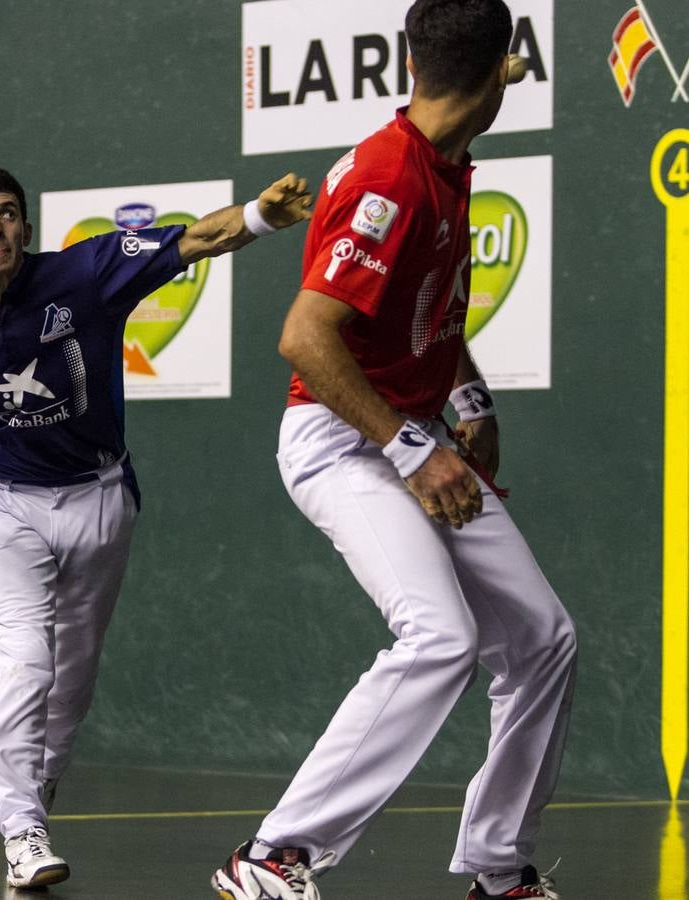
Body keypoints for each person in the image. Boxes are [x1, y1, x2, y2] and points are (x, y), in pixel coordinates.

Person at [0, 165, 312, 889]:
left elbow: (198, 239)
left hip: (101, 499)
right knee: (25, 660)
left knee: (71, 686)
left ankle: (35, 801)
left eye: (9, 214)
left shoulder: (86, 274)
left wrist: (262, 216)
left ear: (25, 226)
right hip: (4, 506)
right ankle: (20, 831)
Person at [210, 2, 576, 899]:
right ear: (499, 71)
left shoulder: (441, 165)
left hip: (410, 433)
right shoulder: (390, 179)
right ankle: (273, 855)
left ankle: (497, 868)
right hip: (342, 441)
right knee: (441, 636)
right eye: (511, 66)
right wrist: (417, 449)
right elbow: (305, 337)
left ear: (412, 63)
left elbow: (425, 315)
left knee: (541, 637)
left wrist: (466, 399)